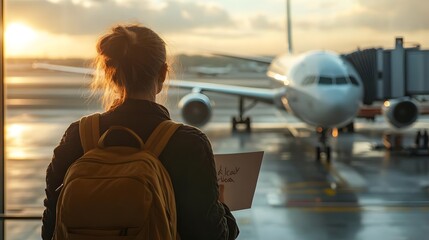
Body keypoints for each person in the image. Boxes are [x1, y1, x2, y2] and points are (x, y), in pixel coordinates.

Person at [42, 24, 239, 240]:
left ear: (110, 73)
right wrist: (221, 206)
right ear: (163, 74)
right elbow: (212, 235)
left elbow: (50, 228)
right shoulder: (189, 144)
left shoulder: (77, 136)